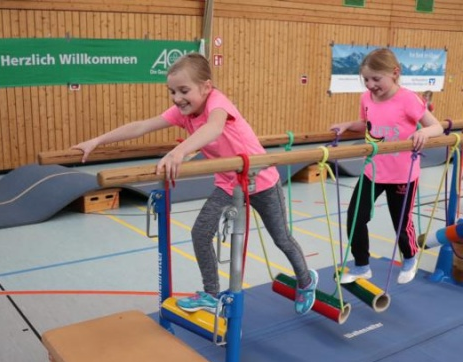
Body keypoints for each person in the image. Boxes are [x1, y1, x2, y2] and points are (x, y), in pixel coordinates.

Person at [72, 53, 318, 315]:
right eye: (172, 91)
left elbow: (213, 128)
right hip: (229, 183)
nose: (177, 98)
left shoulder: (218, 103)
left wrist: (179, 152)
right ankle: (211, 294)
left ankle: (306, 281)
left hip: (262, 180)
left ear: (206, 87)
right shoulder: (184, 112)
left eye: (184, 90)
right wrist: (97, 141)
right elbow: (141, 126)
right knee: (200, 233)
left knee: (281, 238)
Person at [329, 48, 443, 284]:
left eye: (376, 79)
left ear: (395, 73)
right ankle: (362, 266)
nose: (370, 85)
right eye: (366, 79)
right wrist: (348, 124)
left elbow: (437, 126)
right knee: (355, 217)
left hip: (402, 174)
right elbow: (367, 123)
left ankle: (410, 257)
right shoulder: (366, 98)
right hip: (373, 170)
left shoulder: (408, 99)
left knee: (401, 222)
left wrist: (424, 133)